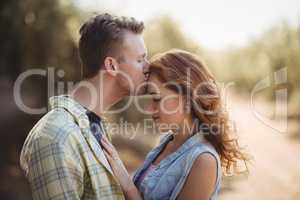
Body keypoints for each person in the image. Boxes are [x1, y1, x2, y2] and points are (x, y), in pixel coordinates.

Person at [20, 13, 149, 200]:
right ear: (112, 66)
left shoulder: (95, 126)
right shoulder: (56, 136)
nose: (148, 67)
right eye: (140, 60)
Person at [101, 49, 249, 200]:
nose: (148, 108)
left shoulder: (204, 161)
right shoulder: (167, 141)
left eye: (157, 98)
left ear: (186, 100)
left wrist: (126, 183)